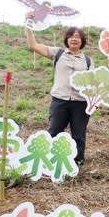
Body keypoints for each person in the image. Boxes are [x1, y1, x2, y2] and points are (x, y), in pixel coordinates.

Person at [24, 12, 92, 166]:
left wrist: (95, 100)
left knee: (79, 135)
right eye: (71, 36)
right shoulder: (58, 53)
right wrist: (28, 25)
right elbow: (33, 45)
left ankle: (77, 163)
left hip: (80, 103)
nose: (74, 39)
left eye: (78, 36)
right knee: (54, 131)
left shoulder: (88, 61)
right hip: (59, 100)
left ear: (82, 41)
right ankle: (48, 162)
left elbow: (93, 83)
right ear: (67, 40)